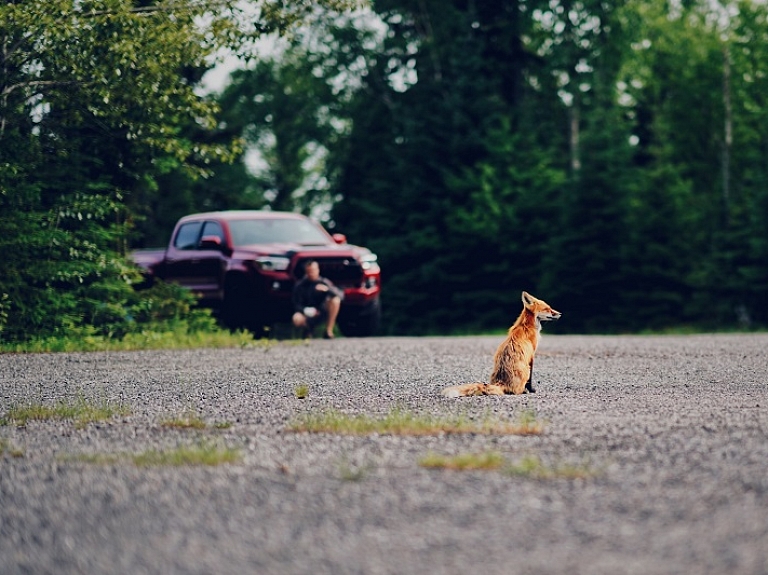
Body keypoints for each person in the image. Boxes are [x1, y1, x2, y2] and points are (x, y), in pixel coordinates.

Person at [292, 260, 344, 339]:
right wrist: (307, 310)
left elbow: (341, 295)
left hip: (322, 312)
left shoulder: (324, 282)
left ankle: (328, 330)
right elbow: (296, 304)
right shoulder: (300, 285)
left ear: (318, 270)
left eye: (313, 271)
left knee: (335, 300)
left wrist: (327, 290)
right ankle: (307, 330)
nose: (311, 273)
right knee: (296, 318)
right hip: (307, 314)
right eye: (309, 271)